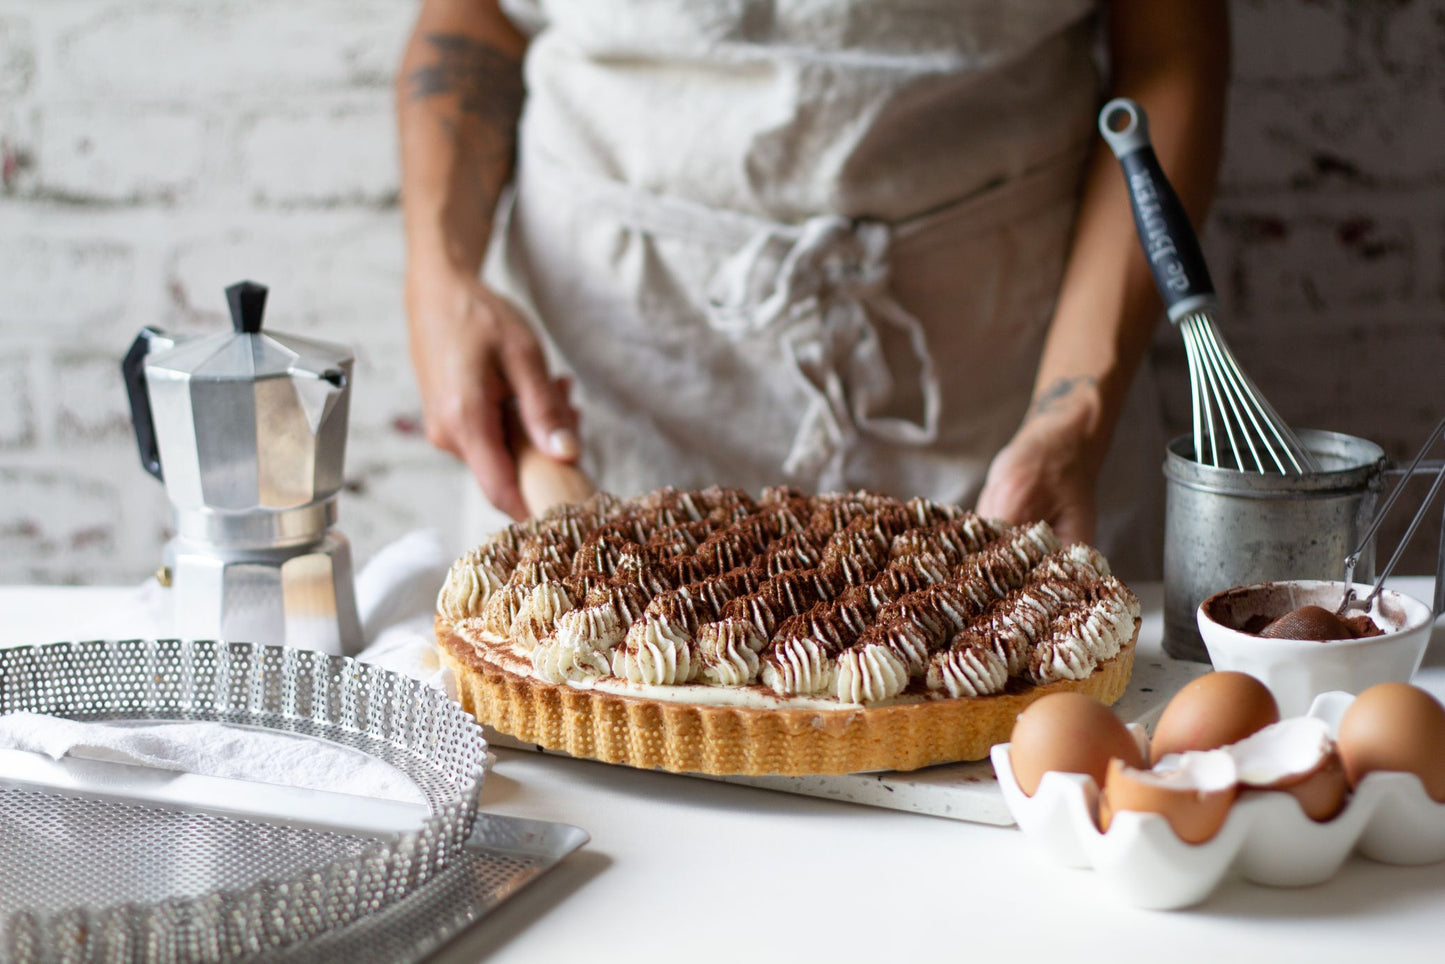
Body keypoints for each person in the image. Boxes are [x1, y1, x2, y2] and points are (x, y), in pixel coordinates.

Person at [396, 0, 1229, 580]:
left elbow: (1167, 49)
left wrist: (1072, 415)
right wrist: (439, 275)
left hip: (1001, 385)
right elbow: (470, 18)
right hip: (611, 375)